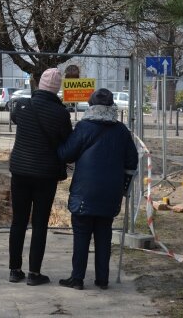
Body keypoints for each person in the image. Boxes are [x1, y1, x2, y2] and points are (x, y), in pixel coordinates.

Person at [57, 88, 138, 290]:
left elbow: (66, 154)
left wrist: (56, 144)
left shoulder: (84, 127)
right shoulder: (121, 130)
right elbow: (132, 161)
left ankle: (77, 279)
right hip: (111, 193)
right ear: (112, 107)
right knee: (104, 235)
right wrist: (123, 187)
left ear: (91, 105)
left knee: (82, 235)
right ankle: (102, 279)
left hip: (85, 192)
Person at [8, 67, 72, 286]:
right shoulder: (61, 113)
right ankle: (34, 273)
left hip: (20, 170)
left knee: (18, 221)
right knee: (40, 223)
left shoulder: (22, 105)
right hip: (45, 174)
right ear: (57, 89)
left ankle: (14, 270)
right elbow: (67, 140)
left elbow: (15, 117)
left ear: (39, 85)